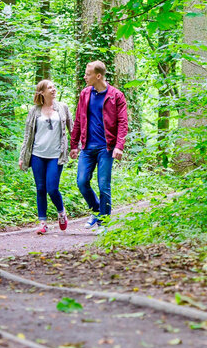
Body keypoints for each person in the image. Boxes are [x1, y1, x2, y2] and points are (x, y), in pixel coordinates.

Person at [69, 60, 128, 228]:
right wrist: (74, 145)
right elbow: (79, 120)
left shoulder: (116, 95)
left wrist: (119, 146)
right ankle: (96, 211)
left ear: (98, 75)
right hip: (87, 147)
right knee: (81, 182)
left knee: (104, 186)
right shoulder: (85, 94)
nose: (85, 77)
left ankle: (104, 222)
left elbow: (123, 123)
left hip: (106, 148)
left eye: (88, 74)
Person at [19, 79, 73, 235]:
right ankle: (43, 223)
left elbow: (72, 128)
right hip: (37, 155)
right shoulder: (34, 111)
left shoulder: (62, 108)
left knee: (52, 188)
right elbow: (28, 135)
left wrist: (76, 147)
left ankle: (61, 212)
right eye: (50, 88)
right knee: (40, 189)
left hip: (56, 155)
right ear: (41, 92)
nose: (54, 90)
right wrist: (23, 157)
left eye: (54, 87)